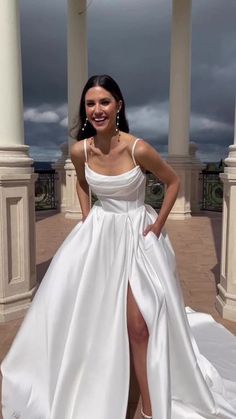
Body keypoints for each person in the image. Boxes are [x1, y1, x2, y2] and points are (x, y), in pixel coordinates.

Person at [1, 75, 236, 419]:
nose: (97, 110)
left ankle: (150, 408)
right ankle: (97, 381)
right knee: (93, 315)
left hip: (138, 237)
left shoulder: (137, 147)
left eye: (104, 102)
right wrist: (86, 217)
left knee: (138, 323)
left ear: (118, 106)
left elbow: (172, 183)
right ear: (85, 110)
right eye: (91, 104)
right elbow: (82, 184)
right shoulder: (82, 150)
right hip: (98, 236)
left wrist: (157, 225)